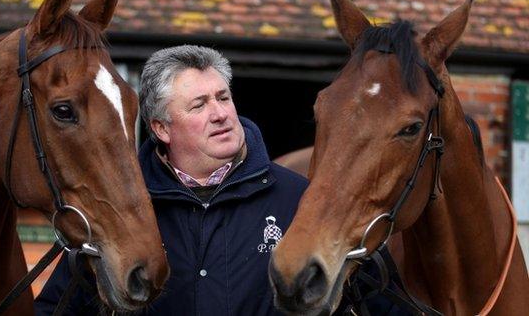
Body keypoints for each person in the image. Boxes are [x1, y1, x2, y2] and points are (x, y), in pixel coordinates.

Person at [34, 45, 404, 315]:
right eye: (199, 105)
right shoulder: (119, 215)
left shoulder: (301, 201)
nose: (221, 114)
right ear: (161, 128)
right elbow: (56, 309)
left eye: (223, 98)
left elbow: (388, 306)